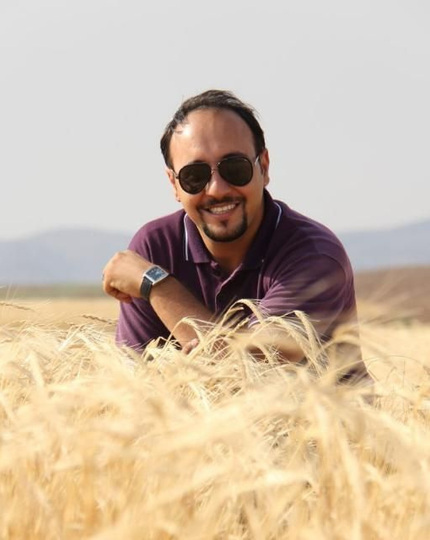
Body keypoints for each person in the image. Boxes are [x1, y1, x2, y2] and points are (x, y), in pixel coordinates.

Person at [103, 89, 369, 382]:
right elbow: (139, 386)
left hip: (322, 414)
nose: (217, 189)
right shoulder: (155, 248)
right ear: (174, 184)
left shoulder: (314, 255)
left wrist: (157, 285)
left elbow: (249, 369)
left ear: (264, 167)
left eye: (235, 168)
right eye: (194, 176)